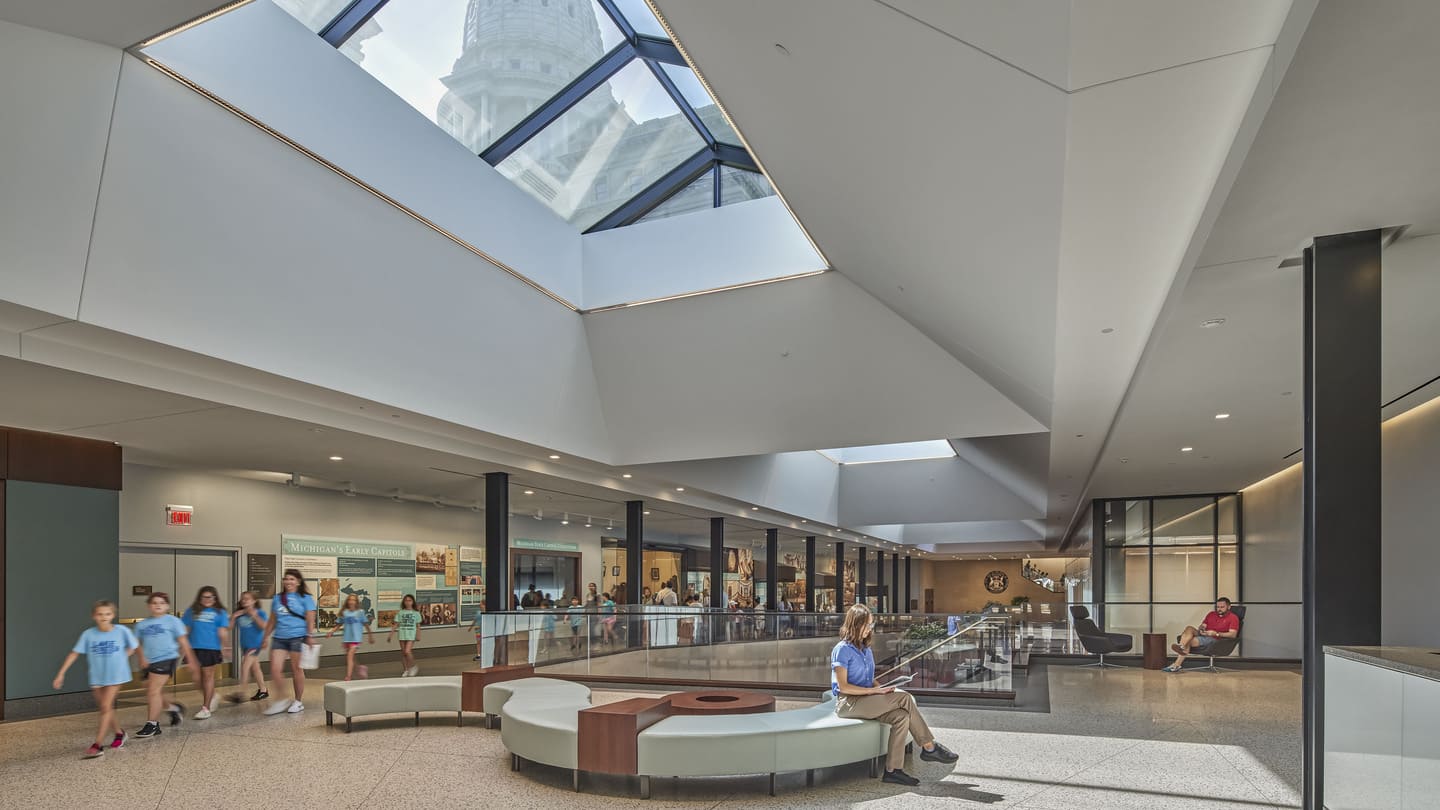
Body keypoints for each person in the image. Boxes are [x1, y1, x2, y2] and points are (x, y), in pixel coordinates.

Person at [831, 603, 958, 786]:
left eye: (871, 624)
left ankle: (893, 771)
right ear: (855, 624)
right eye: (867, 624)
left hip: (866, 699)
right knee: (904, 697)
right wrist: (874, 691)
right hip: (848, 703)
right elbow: (843, 687)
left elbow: (869, 678)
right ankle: (929, 747)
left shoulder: (865, 650)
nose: (870, 629)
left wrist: (883, 687)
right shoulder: (842, 649)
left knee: (902, 716)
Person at [53, 600, 138, 758]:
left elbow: (134, 646)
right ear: (94, 616)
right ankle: (120, 734)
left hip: (116, 675)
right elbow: (74, 653)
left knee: (106, 706)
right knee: (106, 709)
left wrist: (123, 657)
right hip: (98, 676)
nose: (104, 617)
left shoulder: (121, 631)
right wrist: (61, 673)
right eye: (100, 614)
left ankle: (97, 745)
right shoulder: (88, 634)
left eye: (107, 614)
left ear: (113, 615)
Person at [134, 592, 201, 738]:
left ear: (167, 606)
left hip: (166, 658)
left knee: (153, 691)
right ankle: (173, 708)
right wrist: (141, 657)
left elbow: (183, 641)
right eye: (154, 603)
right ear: (149, 606)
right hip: (148, 661)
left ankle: (152, 724)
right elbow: (136, 644)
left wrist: (191, 661)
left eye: (162, 603)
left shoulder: (173, 621)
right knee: (152, 690)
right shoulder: (142, 624)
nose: (158, 605)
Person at [261, 568, 317, 715]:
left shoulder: (305, 598)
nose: (288, 581)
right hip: (279, 637)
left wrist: (309, 635)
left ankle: (298, 701)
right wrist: (265, 636)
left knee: (297, 669)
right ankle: (282, 699)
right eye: (286, 578)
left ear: (298, 582)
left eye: (292, 579)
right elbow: (272, 620)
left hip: (297, 637)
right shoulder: (277, 598)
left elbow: (311, 618)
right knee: (274, 669)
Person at [181, 585, 229, 719]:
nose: (207, 599)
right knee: (196, 679)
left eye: (210, 597)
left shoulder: (220, 612)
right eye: (204, 597)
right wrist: (181, 647)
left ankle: (206, 708)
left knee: (208, 677)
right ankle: (212, 695)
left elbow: (222, 631)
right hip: (193, 648)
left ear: (215, 598)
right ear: (199, 598)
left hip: (211, 648)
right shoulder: (192, 611)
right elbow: (186, 630)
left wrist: (225, 647)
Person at [1164, 597, 1241, 672]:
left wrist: (1216, 634)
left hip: (1215, 639)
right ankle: (1181, 647)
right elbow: (1203, 625)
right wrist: (1202, 629)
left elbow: (1233, 634)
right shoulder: (1211, 614)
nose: (1219, 609)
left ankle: (1176, 664)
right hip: (1204, 634)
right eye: (1217, 607)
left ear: (1229, 607)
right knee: (1189, 628)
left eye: (1222, 607)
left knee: (1188, 640)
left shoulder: (1233, 618)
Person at [227, 591, 268, 702]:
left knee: (245, 666)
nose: (244, 601)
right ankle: (263, 690)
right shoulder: (239, 614)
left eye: (247, 599)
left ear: (254, 601)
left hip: (255, 644)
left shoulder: (260, 613)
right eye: (243, 599)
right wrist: (233, 616)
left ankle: (242, 693)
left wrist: (254, 615)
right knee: (255, 668)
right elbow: (229, 627)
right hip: (245, 645)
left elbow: (264, 626)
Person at [328, 593, 374, 680]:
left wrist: (370, 636)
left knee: (349, 656)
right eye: (350, 600)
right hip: (347, 638)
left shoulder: (360, 612)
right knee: (351, 657)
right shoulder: (344, 612)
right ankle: (360, 668)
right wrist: (331, 632)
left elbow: (366, 625)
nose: (351, 602)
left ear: (356, 602)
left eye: (353, 600)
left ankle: (348, 676)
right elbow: (339, 624)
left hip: (356, 638)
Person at [387, 594, 423, 676]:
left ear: (413, 602)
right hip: (402, 634)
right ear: (404, 602)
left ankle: (413, 666)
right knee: (403, 653)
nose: (408, 602)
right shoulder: (400, 612)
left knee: (407, 651)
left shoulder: (416, 613)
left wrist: (418, 635)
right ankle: (406, 669)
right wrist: (390, 635)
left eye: (410, 600)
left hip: (411, 635)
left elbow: (418, 626)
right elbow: (396, 624)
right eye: (406, 600)